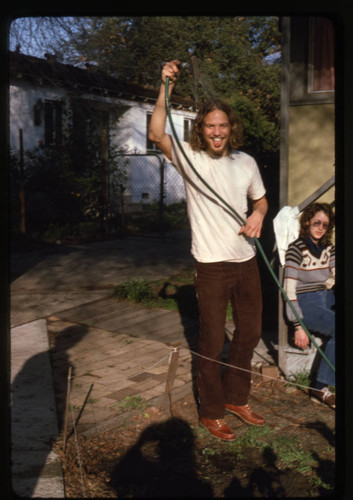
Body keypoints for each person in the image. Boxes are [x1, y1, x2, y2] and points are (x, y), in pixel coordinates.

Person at [149, 60, 268, 441]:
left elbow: (262, 201)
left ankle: (236, 398)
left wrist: (258, 215)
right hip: (212, 265)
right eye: (210, 126)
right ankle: (212, 412)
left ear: (231, 128)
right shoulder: (190, 158)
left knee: (249, 334)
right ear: (201, 129)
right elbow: (156, 132)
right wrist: (163, 85)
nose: (217, 132)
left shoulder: (246, 161)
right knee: (212, 341)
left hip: (246, 261)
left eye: (223, 125)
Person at [283, 202, 335, 408]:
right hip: (305, 301)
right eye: (316, 223)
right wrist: (298, 325)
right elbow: (288, 290)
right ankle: (320, 386)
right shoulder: (296, 249)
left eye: (325, 225)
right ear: (306, 222)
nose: (320, 228)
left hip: (326, 295)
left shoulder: (329, 248)